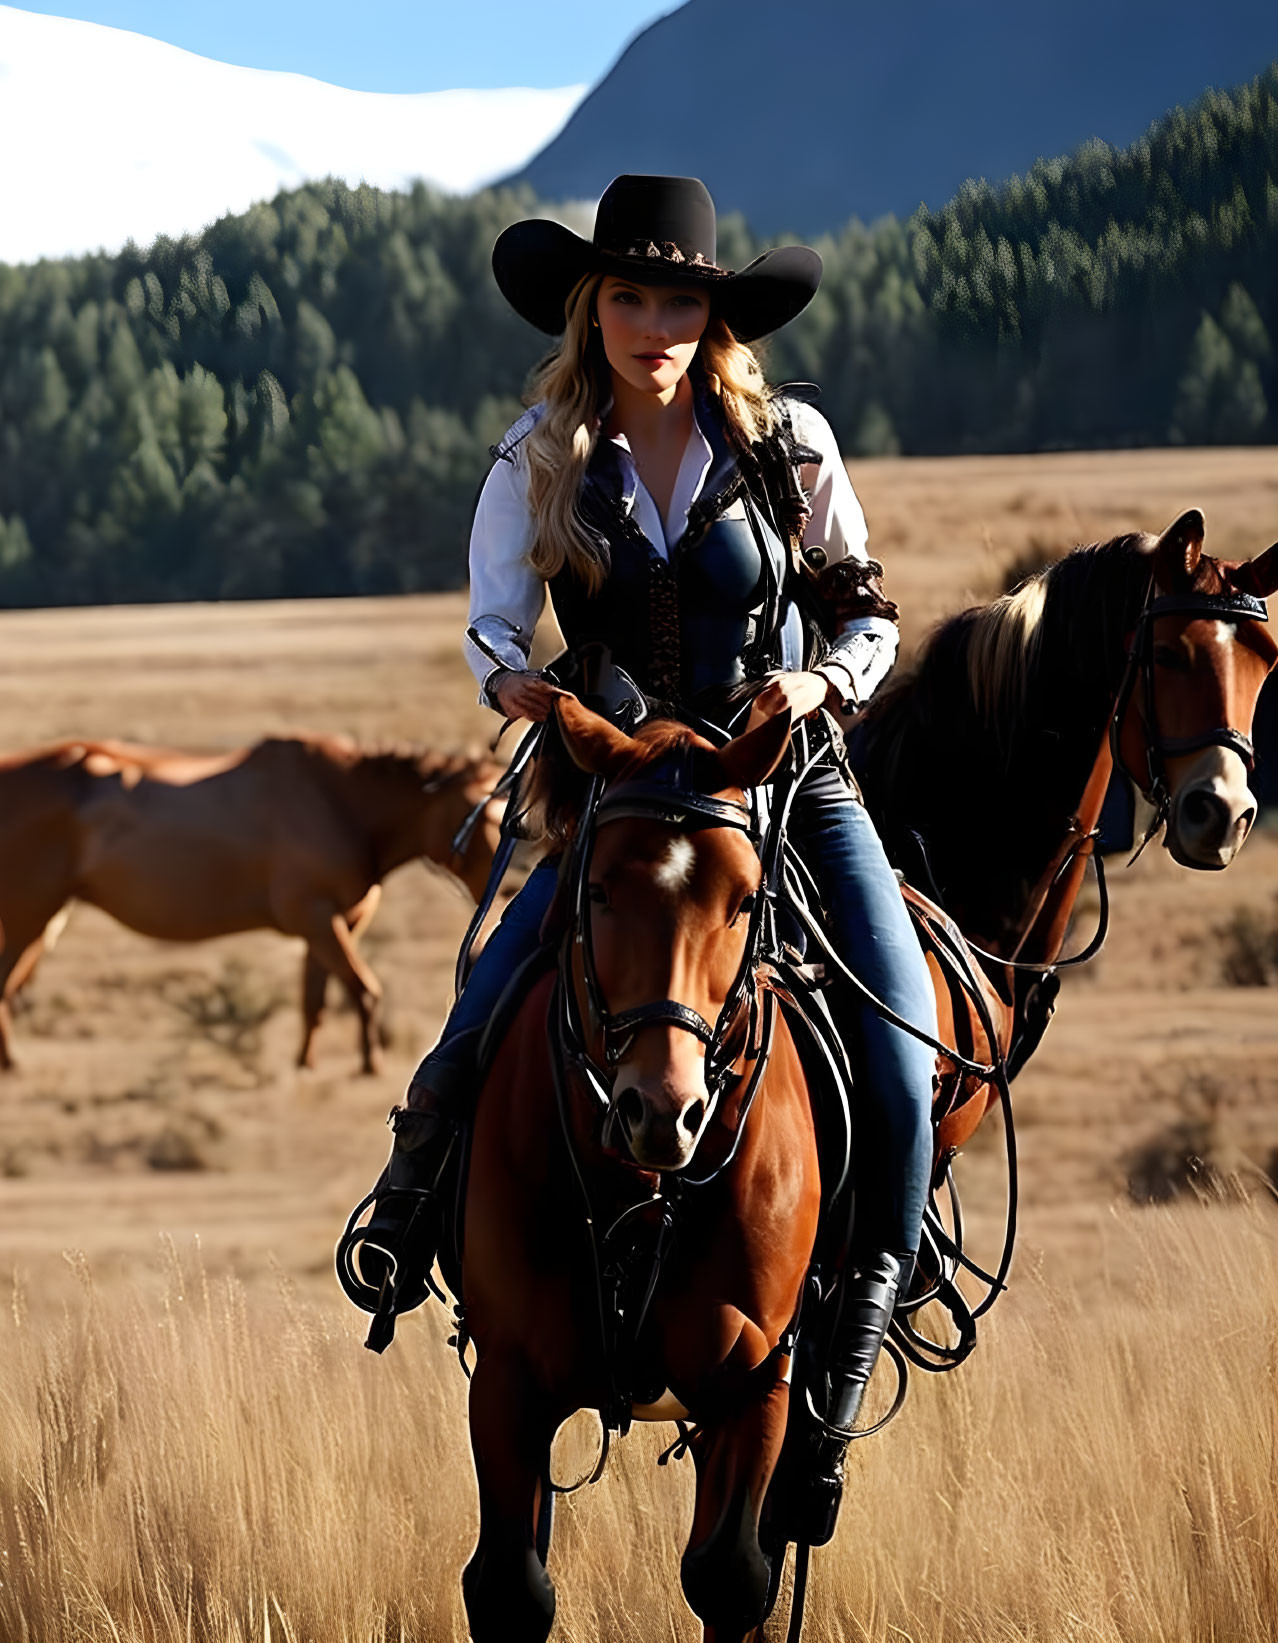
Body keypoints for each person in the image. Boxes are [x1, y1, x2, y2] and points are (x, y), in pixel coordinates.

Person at [354, 174, 938, 1510]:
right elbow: (492, 628)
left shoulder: (788, 445)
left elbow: (867, 617)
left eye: (680, 296)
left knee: (901, 1044)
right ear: (591, 307)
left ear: (713, 314)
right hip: (615, 791)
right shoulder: (539, 454)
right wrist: (518, 689)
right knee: (484, 1003)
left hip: (784, 783)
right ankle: (402, 1219)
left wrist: (817, 686)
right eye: (628, 294)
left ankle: (849, 1349)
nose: (654, 320)